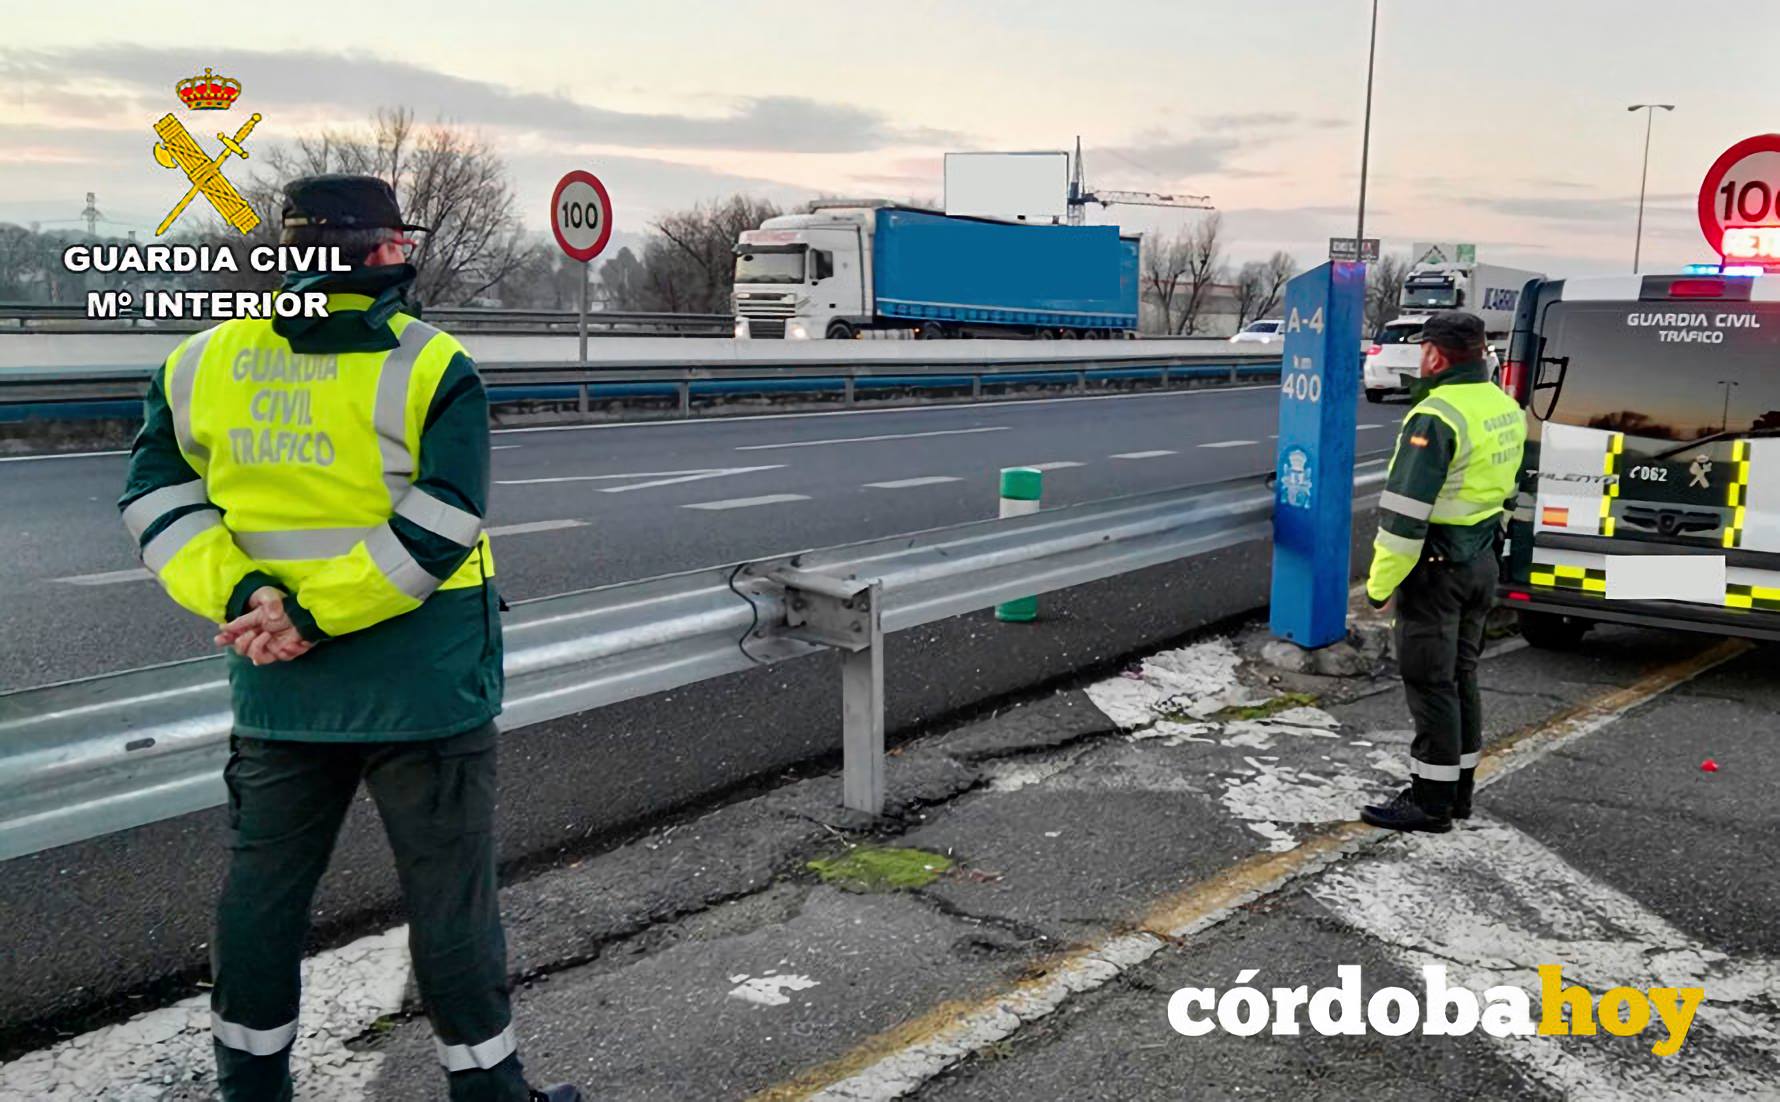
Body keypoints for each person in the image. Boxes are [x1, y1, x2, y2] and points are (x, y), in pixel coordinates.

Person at [118, 174, 581, 1102]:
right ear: (379, 254)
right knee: (448, 896)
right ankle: (490, 1094)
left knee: (261, 897)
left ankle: (249, 1091)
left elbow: (156, 500)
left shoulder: (200, 363)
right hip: (423, 681)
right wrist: (317, 611)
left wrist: (252, 598)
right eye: (396, 246)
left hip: (277, 682)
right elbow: (446, 520)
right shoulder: (429, 363)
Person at [1359, 311, 1526, 835]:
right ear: (1480, 352)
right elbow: (1509, 492)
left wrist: (1380, 585)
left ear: (1434, 354)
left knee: (1431, 682)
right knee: (1461, 676)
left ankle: (1429, 804)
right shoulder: (1504, 407)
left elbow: (1405, 514)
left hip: (1435, 570)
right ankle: (1458, 794)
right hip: (1479, 560)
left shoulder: (1437, 415)